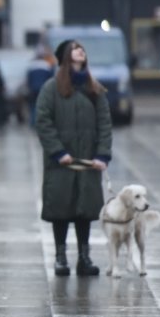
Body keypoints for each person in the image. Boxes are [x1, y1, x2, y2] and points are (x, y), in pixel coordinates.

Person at [35, 39, 112, 277]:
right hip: (61, 163)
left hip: (87, 160)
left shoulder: (94, 89)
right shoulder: (51, 88)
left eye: (82, 49)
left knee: (84, 211)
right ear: (67, 57)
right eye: (76, 48)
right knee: (61, 209)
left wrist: (102, 154)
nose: (81, 51)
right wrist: (58, 151)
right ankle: (60, 258)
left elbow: (104, 124)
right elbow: (43, 121)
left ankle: (84, 257)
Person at [25, 45, 55, 126]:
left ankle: (32, 123)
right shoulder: (47, 65)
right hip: (43, 89)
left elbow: (28, 79)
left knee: (32, 107)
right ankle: (42, 123)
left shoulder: (31, 66)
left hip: (33, 90)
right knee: (43, 107)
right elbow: (51, 79)